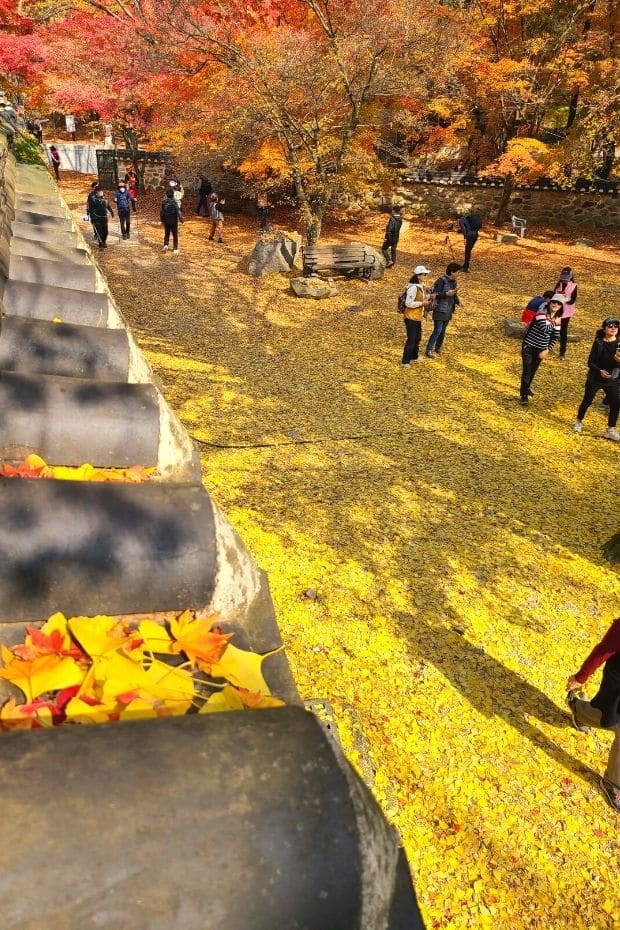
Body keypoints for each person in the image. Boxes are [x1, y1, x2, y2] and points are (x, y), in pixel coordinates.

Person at [566, 616, 620, 813]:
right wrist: (581, 678)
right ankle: (613, 783)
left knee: (612, 722)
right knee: (610, 719)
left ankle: (579, 712)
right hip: (618, 686)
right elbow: (601, 651)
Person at [572, 318, 620, 441]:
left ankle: (611, 429)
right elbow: (590, 362)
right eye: (610, 326)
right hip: (595, 378)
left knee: (615, 403)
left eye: (616, 326)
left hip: (612, 379)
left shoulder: (619, 344)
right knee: (587, 401)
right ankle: (578, 421)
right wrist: (599, 371)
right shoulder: (599, 342)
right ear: (604, 329)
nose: (613, 328)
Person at [519, 293, 564, 404]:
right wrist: (555, 321)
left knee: (533, 370)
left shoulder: (558, 318)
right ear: (550, 302)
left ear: (561, 306)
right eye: (554, 302)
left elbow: (555, 336)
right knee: (527, 370)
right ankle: (524, 394)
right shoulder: (541, 313)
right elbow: (545, 327)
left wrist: (547, 349)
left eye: (558, 303)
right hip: (529, 346)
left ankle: (526, 388)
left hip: (541, 349)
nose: (555, 304)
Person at [425, 262, 462, 358]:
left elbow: (454, 294)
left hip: (449, 309)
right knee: (437, 330)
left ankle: (437, 347)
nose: (459, 274)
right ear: (452, 272)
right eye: (457, 272)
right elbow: (435, 294)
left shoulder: (454, 282)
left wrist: (458, 302)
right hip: (439, 309)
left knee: (443, 331)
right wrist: (446, 294)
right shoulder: (441, 281)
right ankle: (429, 349)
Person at [402, 266, 432, 368]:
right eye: (424, 274)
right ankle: (405, 361)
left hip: (417, 316)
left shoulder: (422, 286)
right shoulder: (413, 288)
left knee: (417, 338)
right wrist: (421, 303)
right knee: (411, 339)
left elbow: (422, 298)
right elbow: (408, 303)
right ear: (418, 276)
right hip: (410, 317)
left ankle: (414, 356)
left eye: (426, 274)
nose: (426, 276)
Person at [554, 266, 577, 360]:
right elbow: (553, 294)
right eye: (562, 279)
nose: (564, 281)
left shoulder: (573, 286)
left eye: (565, 280)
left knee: (563, 332)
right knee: (552, 329)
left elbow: (572, 300)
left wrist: (564, 299)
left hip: (566, 312)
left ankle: (562, 352)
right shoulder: (558, 284)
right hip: (557, 310)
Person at [160, 188, 183, 253]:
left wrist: (162, 220)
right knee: (175, 234)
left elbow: (161, 212)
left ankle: (165, 245)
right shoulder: (174, 202)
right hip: (174, 221)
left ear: (166, 195)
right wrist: (181, 219)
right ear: (173, 195)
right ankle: (175, 248)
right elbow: (178, 212)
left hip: (166, 220)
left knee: (167, 233)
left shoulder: (163, 202)